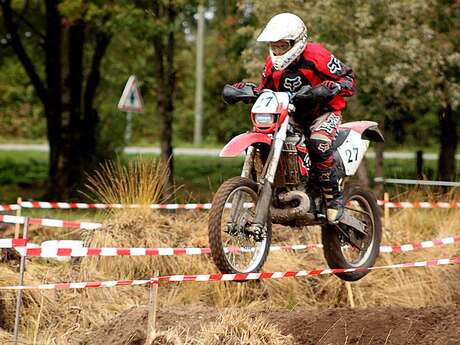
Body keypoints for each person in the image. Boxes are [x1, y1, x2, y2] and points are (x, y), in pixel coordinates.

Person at [233, 13, 356, 222]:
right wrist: (246, 92)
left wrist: (333, 87)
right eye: (275, 46)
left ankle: (333, 198)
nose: (278, 51)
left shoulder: (317, 55)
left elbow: (349, 79)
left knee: (318, 144)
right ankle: (272, 189)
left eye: (283, 46)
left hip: (324, 113)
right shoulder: (272, 64)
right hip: (292, 114)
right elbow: (265, 90)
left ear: (297, 42)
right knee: (263, 138)